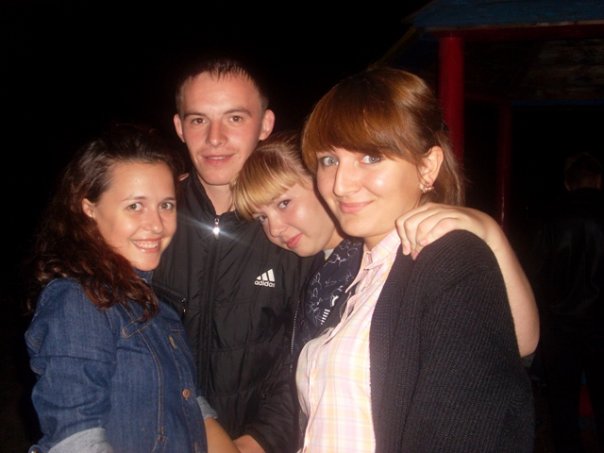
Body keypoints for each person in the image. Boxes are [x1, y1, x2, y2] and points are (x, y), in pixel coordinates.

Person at [295, 66, 535, 452]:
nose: (340, 184)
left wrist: (490, 235)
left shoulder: (446, 260)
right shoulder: (351, 267)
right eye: (328, 160)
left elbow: (512, 349)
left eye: (370, 157)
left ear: (427, 167)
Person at [24, 123, 239, 453]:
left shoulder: (156, 306)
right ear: (89, 209)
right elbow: (75, 439)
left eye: (166, 205)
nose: (156, 224)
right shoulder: (79, 300)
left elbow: (188, 404)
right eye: (135, 206)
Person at [232, 131, 539, 359]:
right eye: (261, 218)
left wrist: (490, 234)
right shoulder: (314, 270)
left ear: (322, 182)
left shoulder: (392, 249)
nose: (274, 229)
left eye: (284, 203)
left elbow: (515, 342)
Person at [152, 57, 313, 453]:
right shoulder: (149, 226)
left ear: (265, 124)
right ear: (180, 127)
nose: (215, 138)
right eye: (199, 120)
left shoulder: (297, 231)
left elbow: (308, 356)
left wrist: (256, 443)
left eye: (235, 118)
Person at [530, 151, 604, 452]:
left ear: (567, 184)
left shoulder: (549, 216)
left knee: (562, 405)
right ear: (598, 181)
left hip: (559, 328)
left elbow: (536, 273)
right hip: (602, 326)